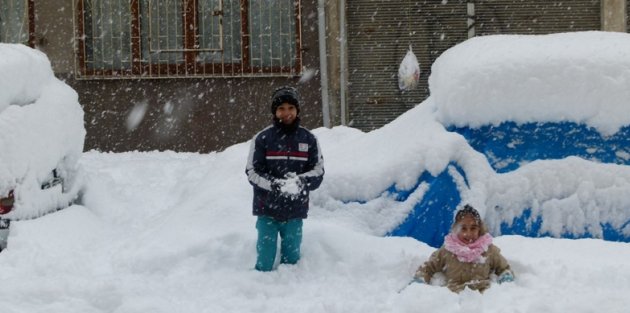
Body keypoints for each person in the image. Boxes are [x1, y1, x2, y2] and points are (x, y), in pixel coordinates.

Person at [245, 86, 324, 272]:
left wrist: (300, 181)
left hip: (295, 211)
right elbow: (252, 172)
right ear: (275, 111)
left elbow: (318, 171)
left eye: (291, 108)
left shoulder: (309, 139)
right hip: (267, 210)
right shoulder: (262, 138)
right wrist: (274, 185)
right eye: (281, 108)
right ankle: (258, 292)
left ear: (297, 110)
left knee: (292, 264)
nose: (286, 112)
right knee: (264, 261)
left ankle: (290, 298)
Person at [414, 204, 514, 293]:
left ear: (479, 229)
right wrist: (419, 281)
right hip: (454, 301)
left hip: (483, 301)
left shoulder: (488, 249)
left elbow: (504, 268)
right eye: (463, 228)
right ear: (456, 229)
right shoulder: (448, 250)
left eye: (473, 228)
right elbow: (427, 268)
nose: (468, 233)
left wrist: (506, 280)